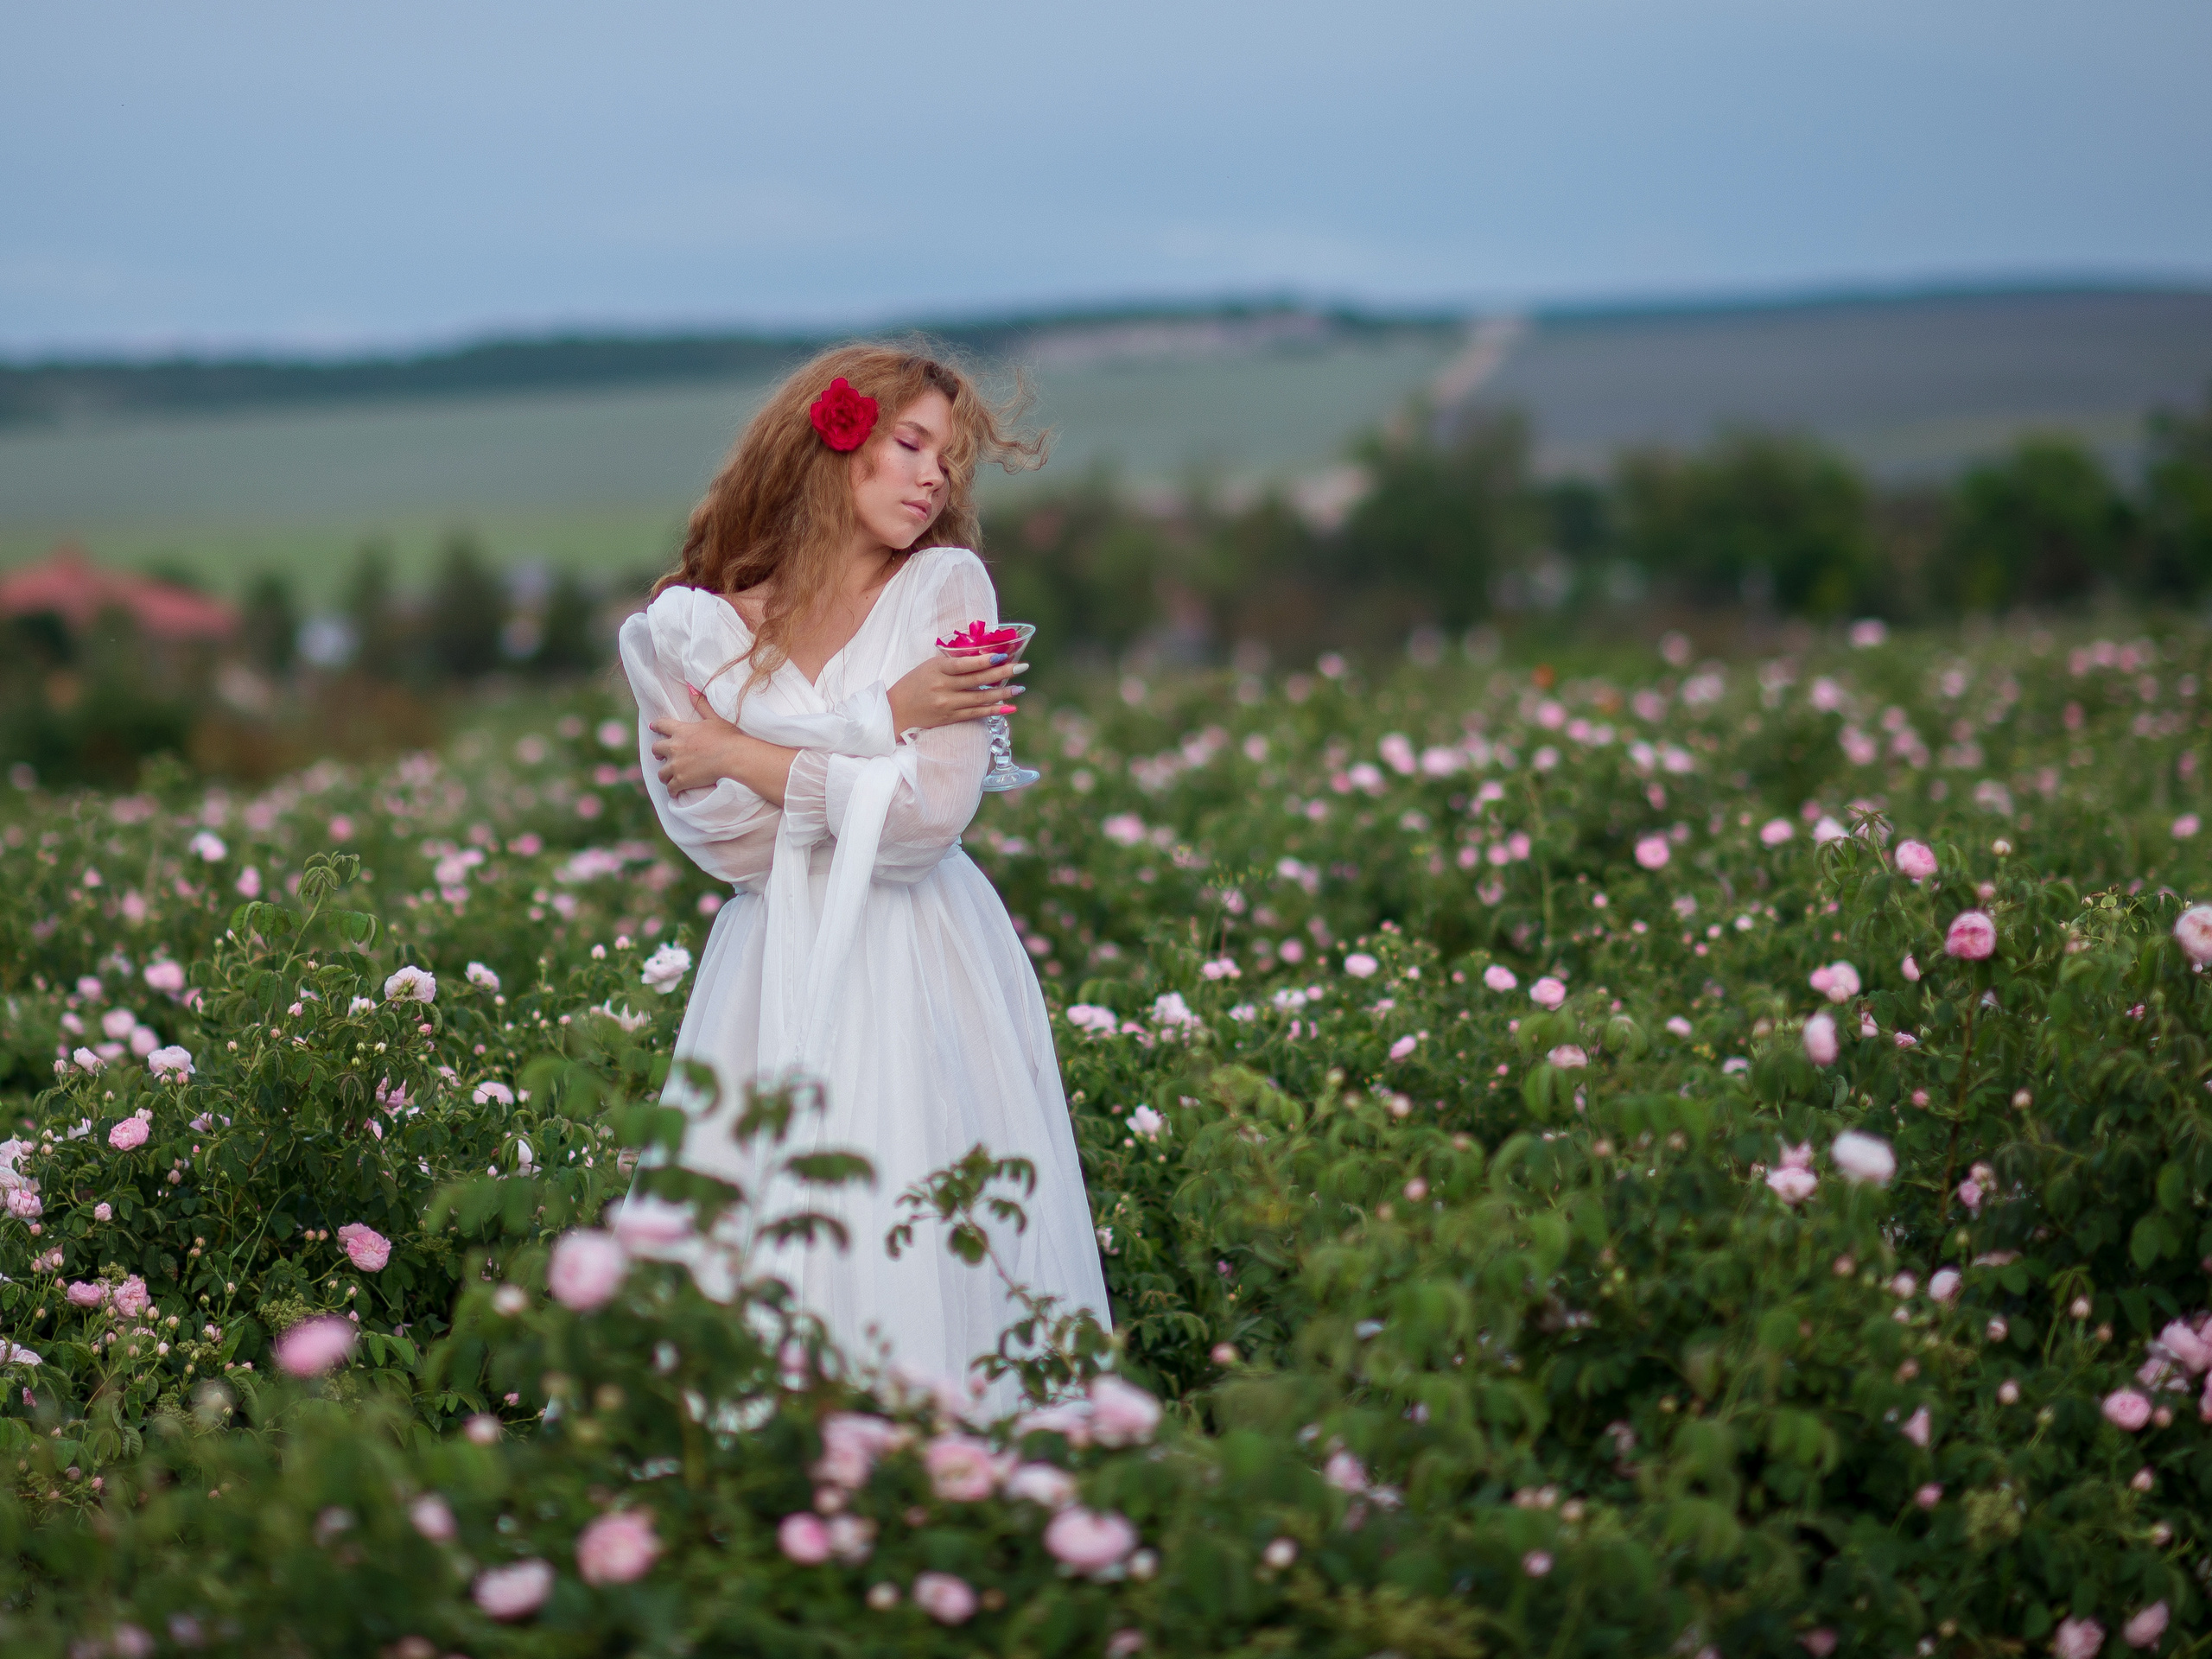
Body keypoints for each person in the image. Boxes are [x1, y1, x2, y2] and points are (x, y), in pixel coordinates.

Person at [617, 345, 1109, 1412]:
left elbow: (926, 819)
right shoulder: (713, 618)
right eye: (910, 443)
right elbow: (728, 845)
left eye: (951, 458)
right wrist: (880, 729)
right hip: (770, 960)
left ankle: (939, 1469)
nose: (934, 477)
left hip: (918, 952)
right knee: (752, 1219)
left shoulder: (946, 588)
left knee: (919, 1206)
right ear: (831, 439)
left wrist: (744, 755)